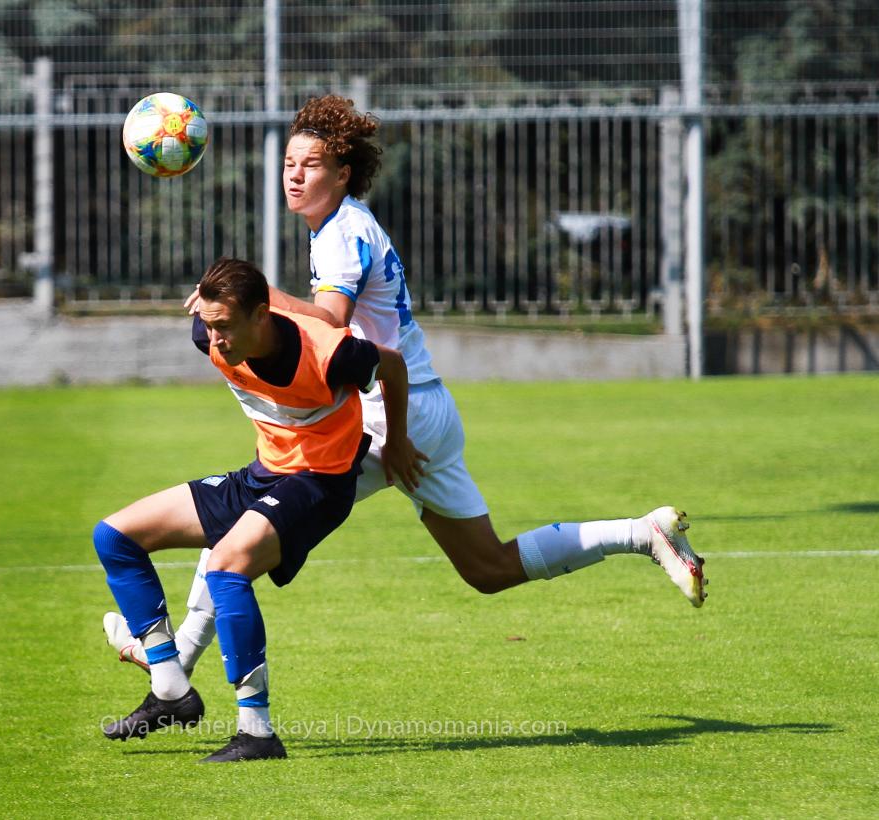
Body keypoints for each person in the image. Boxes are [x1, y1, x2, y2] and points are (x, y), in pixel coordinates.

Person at [104, 96, 707, 680]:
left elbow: (331, 321)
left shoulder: (341, 234)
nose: (294, 175)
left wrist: (258, 297)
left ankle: (173, 668)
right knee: (487, 567)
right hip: (426, 404)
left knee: (240, 526)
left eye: (310, 165)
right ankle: (641, 532)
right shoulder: (344, 224)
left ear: (343, 173)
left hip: (387, 416)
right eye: (289, 163)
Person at [94, 256, 421, 763]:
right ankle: (171, 688)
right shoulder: (207, 336)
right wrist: (211, 316)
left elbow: (393, 367)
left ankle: (257, 733)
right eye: (208, 325)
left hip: (319, 482)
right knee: (114, 536)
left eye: (225, 326)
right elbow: (215, 328)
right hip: (262, 475)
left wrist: (395, 441)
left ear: (261, 315)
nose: (215, 339)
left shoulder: (332, 354)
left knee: (227, 567)